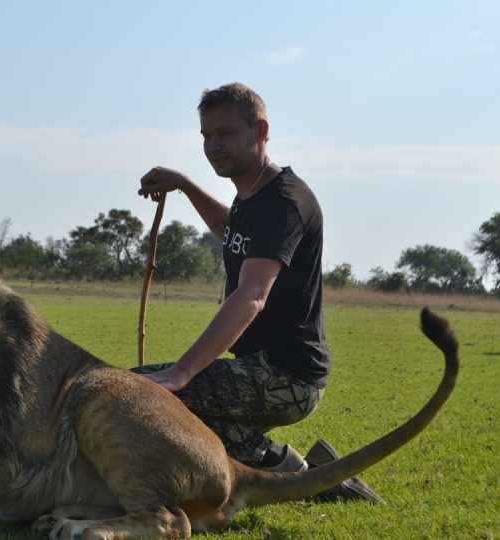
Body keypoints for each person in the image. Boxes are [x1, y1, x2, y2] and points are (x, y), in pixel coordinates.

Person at [134, 82, 381, 503]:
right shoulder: (253, 196)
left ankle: (303, 476)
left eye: (226, 133)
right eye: (206, 136)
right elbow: (230, 232)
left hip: (289, 375)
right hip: (262, 366)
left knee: (143, 391)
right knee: (175, 410)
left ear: (260, 130)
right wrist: (184, 184)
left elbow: (252, 295)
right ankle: (316, 474)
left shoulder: (284, 202)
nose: (213, 146)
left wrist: (183, 371)